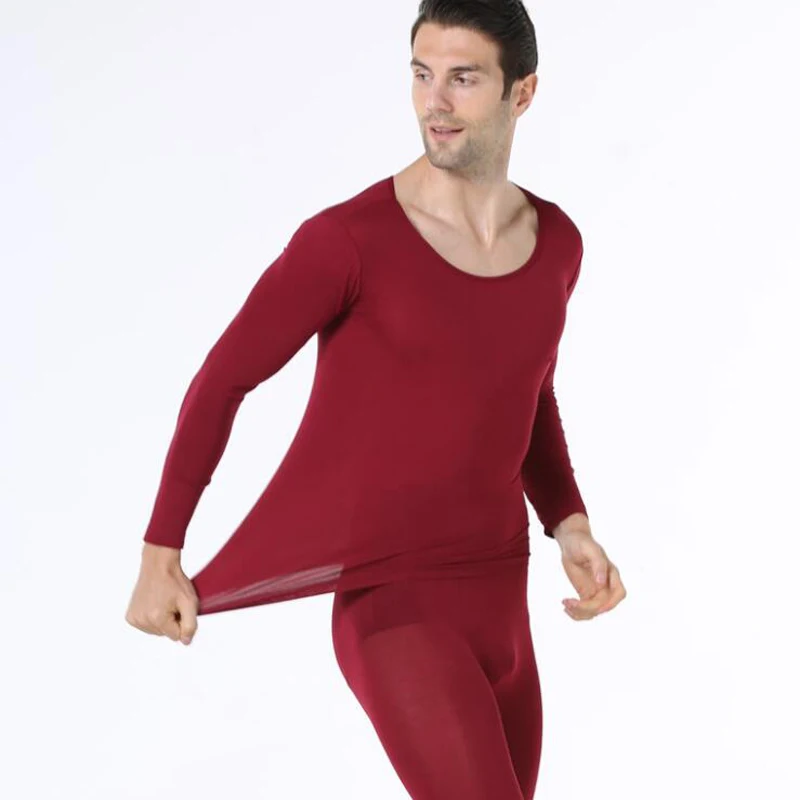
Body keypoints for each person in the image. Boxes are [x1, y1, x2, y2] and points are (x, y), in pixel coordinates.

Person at [125, 2, 626, 797]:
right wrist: (161, 553)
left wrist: (569, 523)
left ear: (522, 92)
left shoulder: (557, 243)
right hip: (395, 607)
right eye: (422, 75)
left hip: (502, 594)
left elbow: (526, 391)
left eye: (463, 79)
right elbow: (222, 380)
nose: (435, 101)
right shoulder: (348, 242)